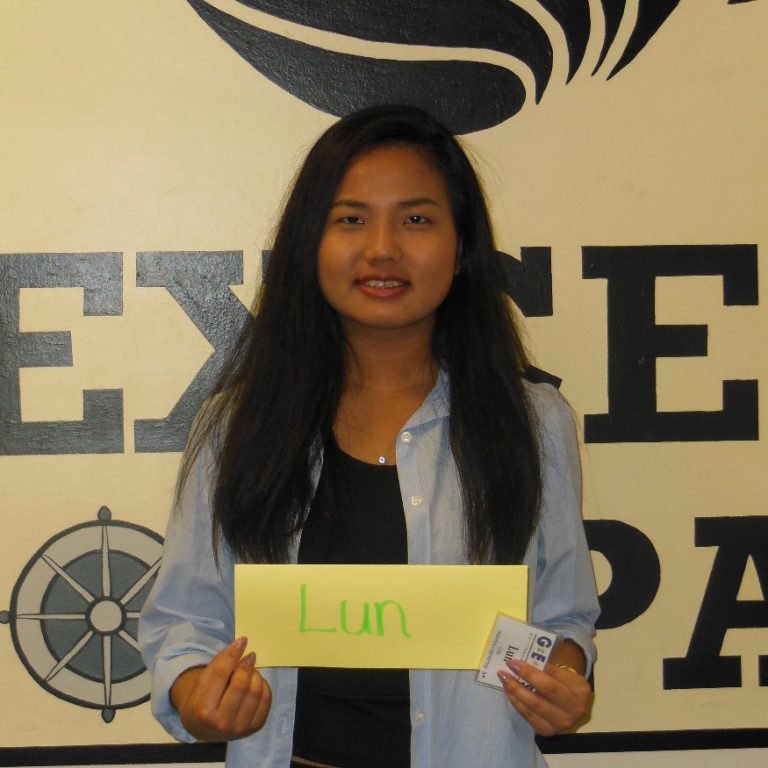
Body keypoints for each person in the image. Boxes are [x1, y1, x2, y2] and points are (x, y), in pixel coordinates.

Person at [139, 104, 600, 768]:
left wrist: (564, 677)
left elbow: (561, 619)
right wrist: (195, 694)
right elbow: (184, 625)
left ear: (461, 244)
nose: (382, 248)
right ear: (310, 243)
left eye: (416, 219)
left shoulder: (535, 422)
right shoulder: (236, 426)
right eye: (350, 219)